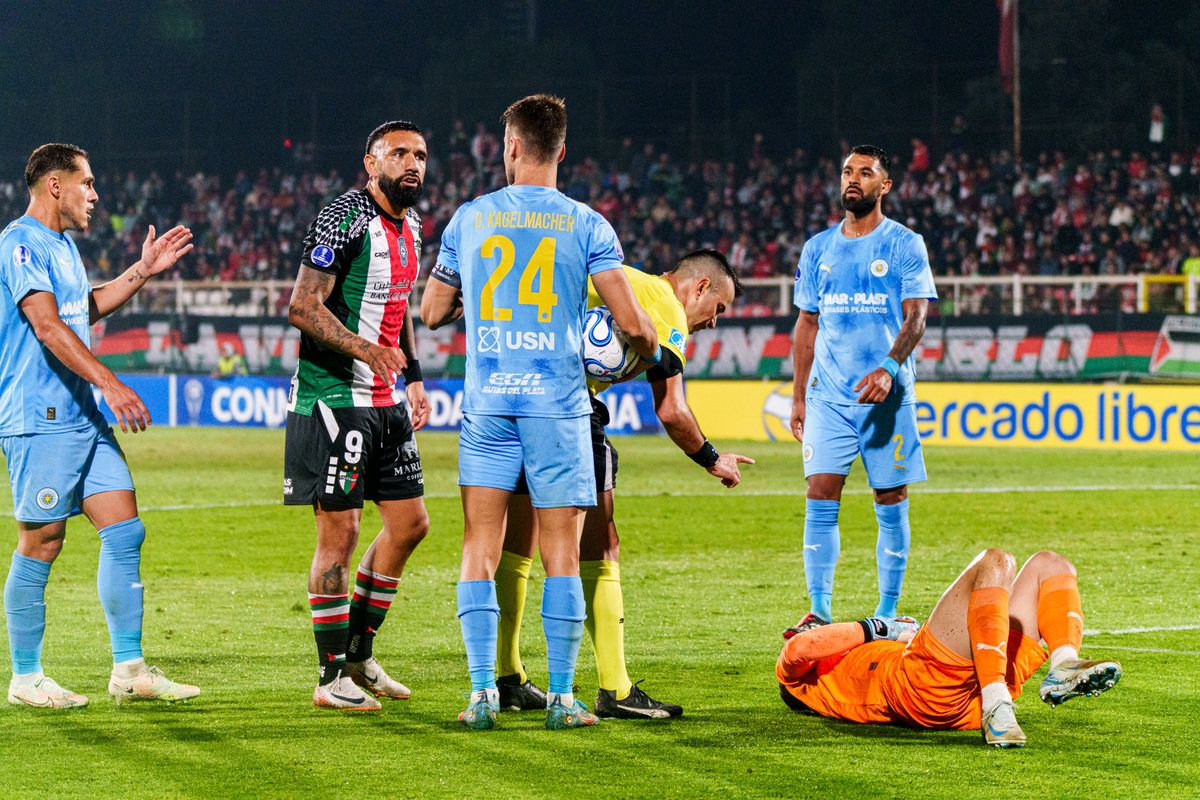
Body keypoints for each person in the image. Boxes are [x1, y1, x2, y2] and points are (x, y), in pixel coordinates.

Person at [421, 94, 658, 731]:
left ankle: (480, 695)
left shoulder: (470, 218)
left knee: (481, 546)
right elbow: (630, 319)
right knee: (560, 552)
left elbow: (432, 312)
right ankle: (560, 697)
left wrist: (493, 309)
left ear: (512, 148)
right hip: (558, 407)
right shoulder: (588, 224)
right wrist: (647, 349)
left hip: (490, 403)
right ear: (560, 151)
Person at [495, 249, 754, 720]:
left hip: (515, 395)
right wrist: (713, 460)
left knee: (519, 538)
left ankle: (507, 676)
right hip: (569, 412)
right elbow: (672, 410)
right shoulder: (667, 307)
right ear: (699, 287)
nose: (714, 322)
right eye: (718, 308)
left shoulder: (628, 281)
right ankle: (614, 688)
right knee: (599, 542)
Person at [0, 143, 199, 708]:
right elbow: (45, 326)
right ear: (55, 186)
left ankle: (129, 670)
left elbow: (80, 310)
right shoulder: (19, 242)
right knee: (42, 541)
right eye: (87, 183)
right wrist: (111, 382)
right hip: (38, 417)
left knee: (124, 529)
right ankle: (25, 678)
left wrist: (142, 270)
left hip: (80, 417)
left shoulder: (63, 247)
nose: (96, 194)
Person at [284, 121, 432, 711]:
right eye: (398, 153)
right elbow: (301, 306)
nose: (412, 163)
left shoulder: (413, 224)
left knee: (410, 525)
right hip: (335, 399)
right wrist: (369, 351)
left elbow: (399, 311)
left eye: (420, 154)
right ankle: (328, 679)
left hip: (387, 401)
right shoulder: (342, 218)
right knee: (339, 535)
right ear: (370, 163)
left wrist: (415, 375)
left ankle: (359, 654)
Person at [786, 145, 937, 637]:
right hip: (830, 398)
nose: (853, 179)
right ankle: (819, 610)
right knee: (819, 493)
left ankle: (889, 610)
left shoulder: (905, 245)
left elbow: (917, 317)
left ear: (884, 185)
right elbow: (806, 325)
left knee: (890, 497)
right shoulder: (817, 249)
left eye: (866, 172)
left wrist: (890, 367)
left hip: (887, 399)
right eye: (847, 170)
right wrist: (799, 396)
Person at [776, 549, 1122, 748]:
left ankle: (1064, 664)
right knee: (995, 562)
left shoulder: (851, 662)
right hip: (921, 687)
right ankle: (996, 705)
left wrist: (887, 634)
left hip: (970, 680)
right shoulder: (802, 681)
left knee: (1051, 564)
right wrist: (881, 628)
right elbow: (800, 647)